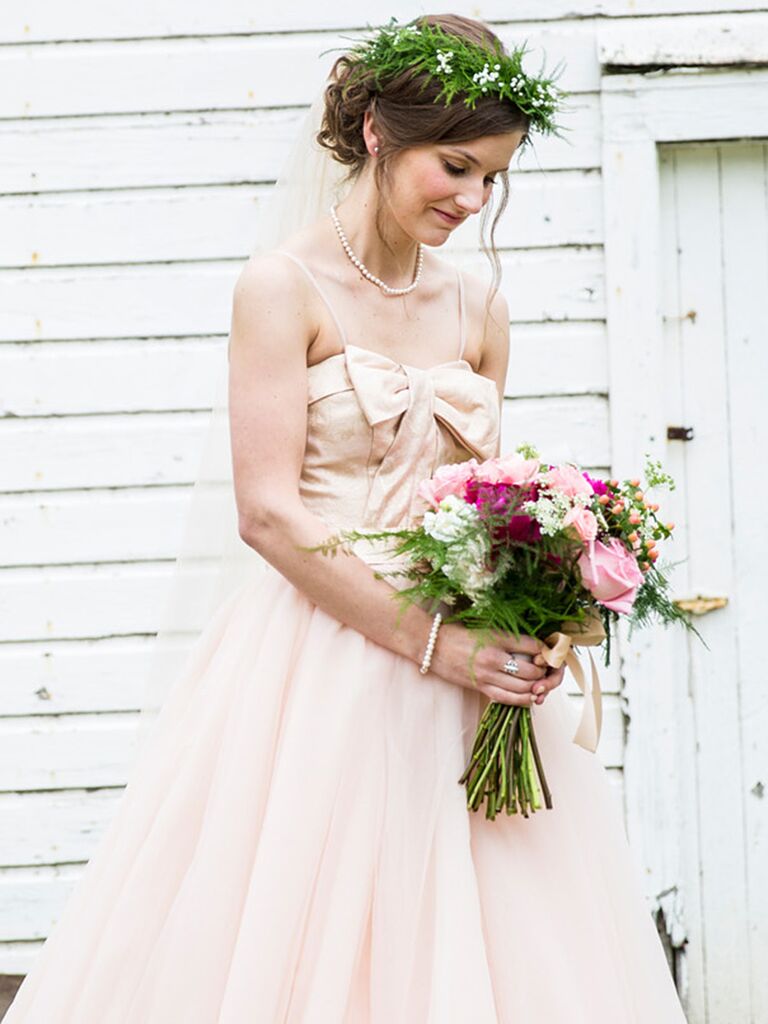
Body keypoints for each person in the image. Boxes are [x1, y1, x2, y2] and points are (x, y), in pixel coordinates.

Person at [6, 14, 688, 1023]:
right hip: (315, 668)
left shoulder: (479, 311)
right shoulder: (281, 288)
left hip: (472, 669)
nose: (472, 200)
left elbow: (490, 494)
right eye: (455, 166)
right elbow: (269, 516)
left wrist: (541, 602)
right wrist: (435, 646)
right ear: (378, 132)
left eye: (493, 178)